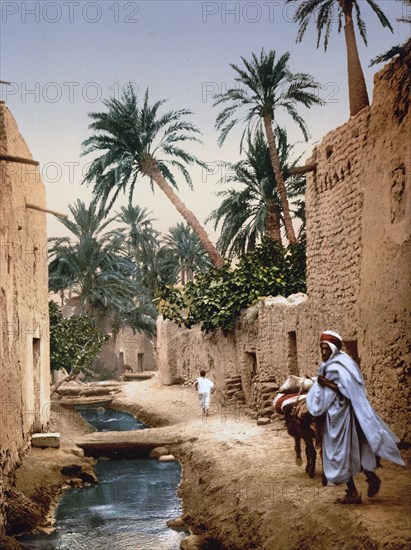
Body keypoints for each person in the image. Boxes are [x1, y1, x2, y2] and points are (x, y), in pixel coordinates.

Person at [306, 330, 405, 504]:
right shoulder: (339, 363)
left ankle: (353, 492)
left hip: (340, 417)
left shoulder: (339, 365)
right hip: (342, 415)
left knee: (337, 453)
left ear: (333, 348)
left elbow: (347, 391)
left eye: (326, 349)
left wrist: (324, 384)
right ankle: (369, 478)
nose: (323, 353)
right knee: (353, 449)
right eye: (321, 349)